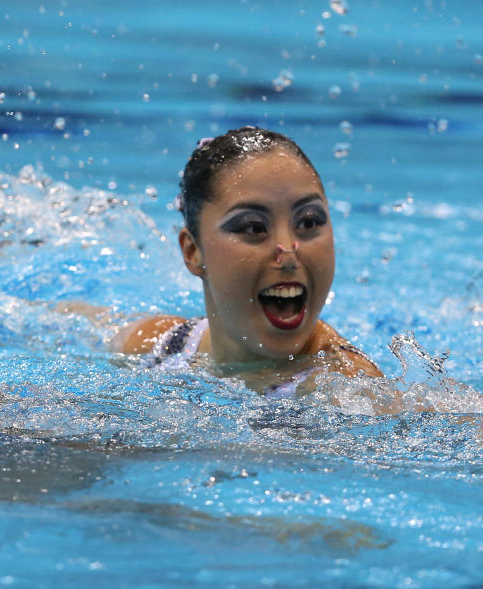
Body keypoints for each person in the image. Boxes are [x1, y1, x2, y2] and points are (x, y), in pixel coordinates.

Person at [117, 127, 381, 393]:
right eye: (254, 228)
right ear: (193, 252)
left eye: (308, 222)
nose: (288, 251)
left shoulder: (349, 389)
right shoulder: (160, 346)